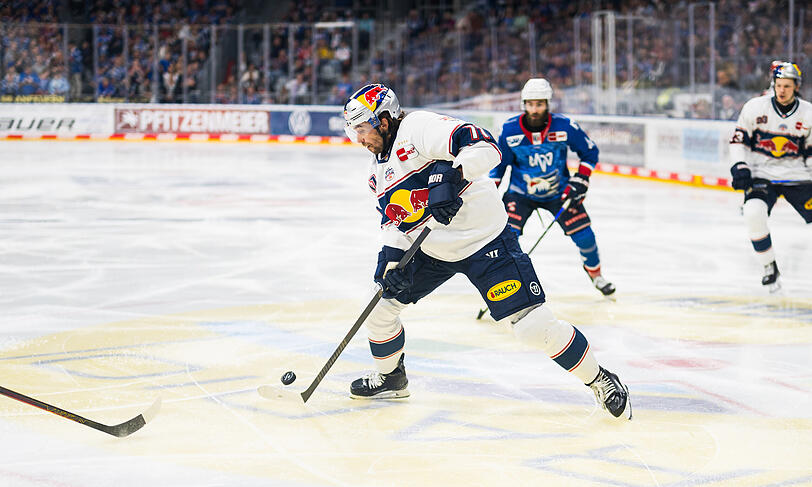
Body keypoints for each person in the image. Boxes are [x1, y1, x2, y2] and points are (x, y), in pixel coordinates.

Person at [342, 83, 631, 419]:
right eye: (353, 133)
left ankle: (600, 379)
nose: (359, 140)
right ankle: (393, 378)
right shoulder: (378, 172)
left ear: (385, 120)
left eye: (362, 130)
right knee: (380, 309)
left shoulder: (418, 128)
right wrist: (389, 264)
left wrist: (453, 175)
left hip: (485, 242)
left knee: (530, 326)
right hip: (432, 250)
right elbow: (395, 224)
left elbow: (485, 146)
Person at [489, 78, 616, 297]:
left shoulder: (565, 126)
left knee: (585, 236)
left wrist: (580, 180)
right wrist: (490, 193)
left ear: (547, 104)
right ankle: (508, 285)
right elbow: (499, 167)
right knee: (508, 239)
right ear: (524, 104)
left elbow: (590, 152)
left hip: (559, 192)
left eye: (539, 104)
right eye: (530, 104)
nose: (534, 109)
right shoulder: (509, 130)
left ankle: (596, 276)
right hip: (520, 193)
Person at [729, 62, 812, 291]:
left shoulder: (809, 113)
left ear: (796, 87)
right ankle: (769, 266)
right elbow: (738, 141)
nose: (782, 90)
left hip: (798, 176)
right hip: (762, 174)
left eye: (787, 86)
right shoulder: (755, 107)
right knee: (753, 212)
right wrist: (740, 166)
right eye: (778, 85)